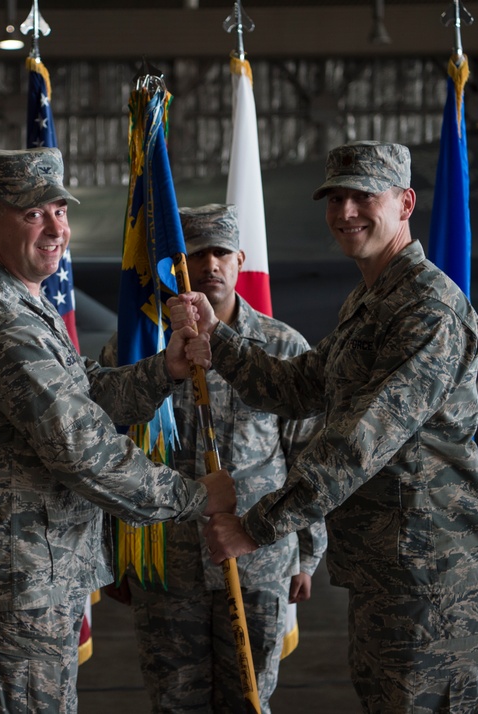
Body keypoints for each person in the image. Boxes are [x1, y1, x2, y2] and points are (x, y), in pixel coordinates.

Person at [172, 141, 478, 714]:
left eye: (363, 196)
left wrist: (258, 527)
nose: (346, 212)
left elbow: (361, 440)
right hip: (384, 566)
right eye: (336, 198)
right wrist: (215, 340)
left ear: (405, 203)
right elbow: (297, 386)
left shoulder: (428, 309)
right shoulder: (370, 301)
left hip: (429, 572)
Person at [0, 147, 236, 714]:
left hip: (36, 574)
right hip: (17, 583)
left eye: (59, 210)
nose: (55, 229)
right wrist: (193, 497)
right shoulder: (2, 320)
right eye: (32, 214)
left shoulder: (26, 302)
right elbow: (83, 449)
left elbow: (84, 394)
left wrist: (162, 371)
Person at [100, 204, 328, 713]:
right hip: (164, 565)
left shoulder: (282, 347)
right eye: (194, 255)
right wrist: (114, 554)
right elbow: (109, 455)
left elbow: (307, 454)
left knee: (248, 701)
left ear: (240, 259)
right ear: (173, 268)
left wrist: (307, 554)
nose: (209, 266)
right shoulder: (136, 349)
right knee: (174, 704)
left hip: (258, 560)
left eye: (221, 253)